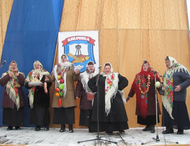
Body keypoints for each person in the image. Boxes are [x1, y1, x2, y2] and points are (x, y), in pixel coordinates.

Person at [88, 62, 129, 134]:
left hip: (114, 98)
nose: (107, 70)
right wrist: (95, 89)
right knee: (105, 114)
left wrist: (118, 88)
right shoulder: (100, 76)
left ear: (111, 69)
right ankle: (107, 129)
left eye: (108, 68)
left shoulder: (116, 75)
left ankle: (120, 128)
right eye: (106, 68)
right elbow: (90, 82)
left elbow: (125, 81)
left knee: (117, 112)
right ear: (103, 69)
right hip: (102, 98)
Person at [45, 54, 80, 133]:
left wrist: (77, 73)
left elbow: (75, 78)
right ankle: (62, 126)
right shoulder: (57, 68)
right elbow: (53, 77)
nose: (63, 59)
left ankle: (70, 127)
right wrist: (48, 78)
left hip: (68, 92)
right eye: (62, 58)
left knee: (69, 110)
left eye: (65, 58)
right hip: (59, 92)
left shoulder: (71, 68)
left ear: (67, 59)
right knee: (61, 110)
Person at [127, 60, 162, 133]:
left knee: (151, 112)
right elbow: (134, 86)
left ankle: (152, 126)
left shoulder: (153, 75)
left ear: (149, 67)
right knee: (144, 112)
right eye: (144, 66)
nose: (145, 67)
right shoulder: (138, 76)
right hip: (141, 98)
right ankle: (147, 126)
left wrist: (160, 90)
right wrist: (129, 96)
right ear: (142, 67)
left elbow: (157, 83)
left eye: (146, 66)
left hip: (151, 97)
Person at [162, 56, 190, 134]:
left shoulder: (180, 69)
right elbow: (166, 82)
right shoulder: (167, 71)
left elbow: (188, 79)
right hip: (168, 96)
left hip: (178, 96)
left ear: (172, 61)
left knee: (178, 112)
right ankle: (169, 128)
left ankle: (180, 128)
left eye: (168, 62)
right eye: (165, 62)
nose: (166, 64)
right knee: (168, 111)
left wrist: (181, 86)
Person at [25, 60, 52, 131]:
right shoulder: (31, 74)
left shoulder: (45, 73)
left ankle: (46, 125)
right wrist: (29, 84)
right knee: (36, 111)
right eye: (35, 65)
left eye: (38, 65)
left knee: (44, 111)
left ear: (41, 66)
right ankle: (38, 125)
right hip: (33, 95)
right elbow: (26, 83)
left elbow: (49, 83)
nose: (37, 66)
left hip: (42, 95)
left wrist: (43, 84)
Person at [0, 61, 25, 130]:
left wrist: (18, 76)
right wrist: (8, 76)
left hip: (18, 93)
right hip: (9, 94)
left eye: (14, 65)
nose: (13, 66)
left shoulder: (20, 74)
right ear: (9, 66)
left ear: (16, 66)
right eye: (12, 65)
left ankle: (18, 125)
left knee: (18, 109)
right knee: (9, 110)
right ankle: (9, 125)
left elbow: (23, 83)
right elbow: (2, 83)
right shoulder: (5, 74)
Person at [75, 61, 97, 132]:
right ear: (87, 67)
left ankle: (93, 127)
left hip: (95, 95)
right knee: (87, 111)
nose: (91, 67)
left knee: (94, 111)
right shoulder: (83, 75)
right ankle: (89, 125)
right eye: (89, 66)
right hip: (86, 95)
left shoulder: (96, 74)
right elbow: (79, 86)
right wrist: (77, 94)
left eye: (92, 66)